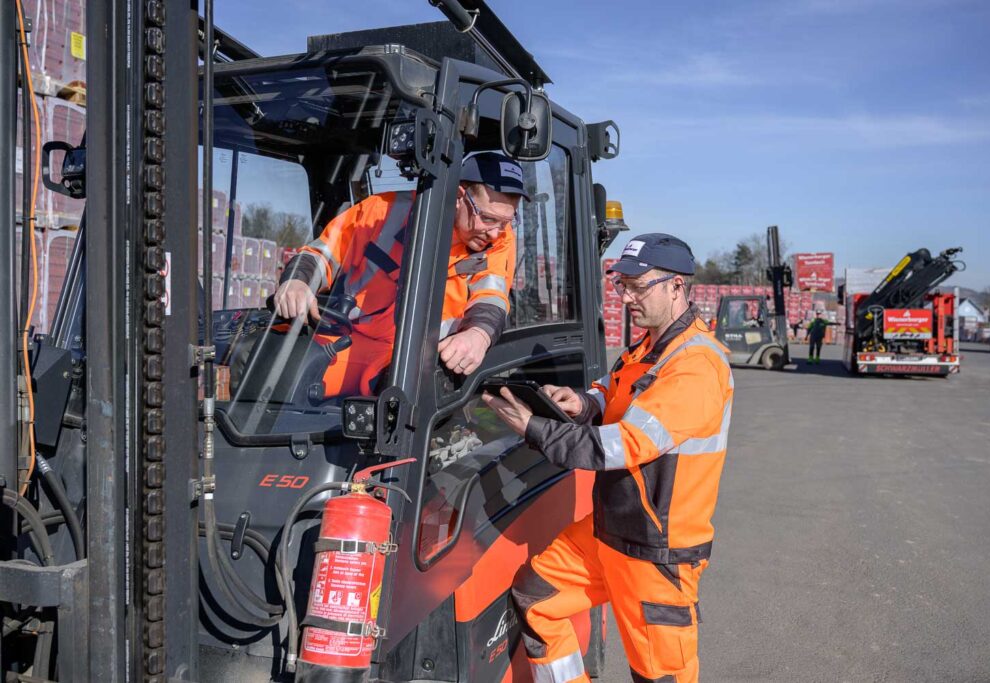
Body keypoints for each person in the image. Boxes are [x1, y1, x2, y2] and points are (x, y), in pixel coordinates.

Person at [483, 234, 734, 683]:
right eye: (622, 285)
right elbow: (611, 390)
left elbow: (618, 447)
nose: (627, 297)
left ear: (676, 286)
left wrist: (534, 428)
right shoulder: (646, 349)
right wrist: (582, 403)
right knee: (537, 600)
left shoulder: (696, 365)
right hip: (608, 533)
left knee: (659, 675)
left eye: (639, 286)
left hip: (657, 552)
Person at [273, 152, 527, 397]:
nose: (495, 232)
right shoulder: (382, 212)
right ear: (459, 196)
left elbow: (491, 297)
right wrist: (298, 281)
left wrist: (479, 335)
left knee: (396, 398)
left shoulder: (499, 240)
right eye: (487, 218)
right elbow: (324, 253)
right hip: (352, 338)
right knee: (275, 368)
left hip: (421, 358)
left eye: (506, 222)